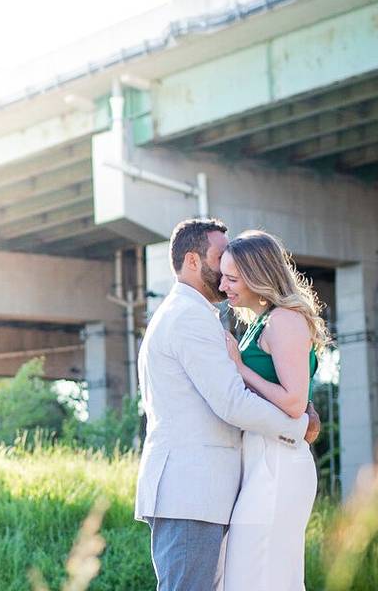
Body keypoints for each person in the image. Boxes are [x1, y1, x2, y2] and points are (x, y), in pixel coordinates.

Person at [135, 218, 320, 591]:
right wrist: (299, 427)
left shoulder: (195, 314)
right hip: (192, 491)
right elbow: (232, 403)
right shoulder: (188, 317)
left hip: (205, 490)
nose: (224, 271)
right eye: (219, 258)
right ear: (191, 260)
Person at [217, 229, 329, 591]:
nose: (223, 287)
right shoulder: (259, 323)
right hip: (261, 461)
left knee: (259, 577)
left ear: (257, 276)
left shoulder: (285, 320)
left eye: (232, 278)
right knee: (253, 577)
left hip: (278, 464)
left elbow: (295, 402)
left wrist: (240, 368)